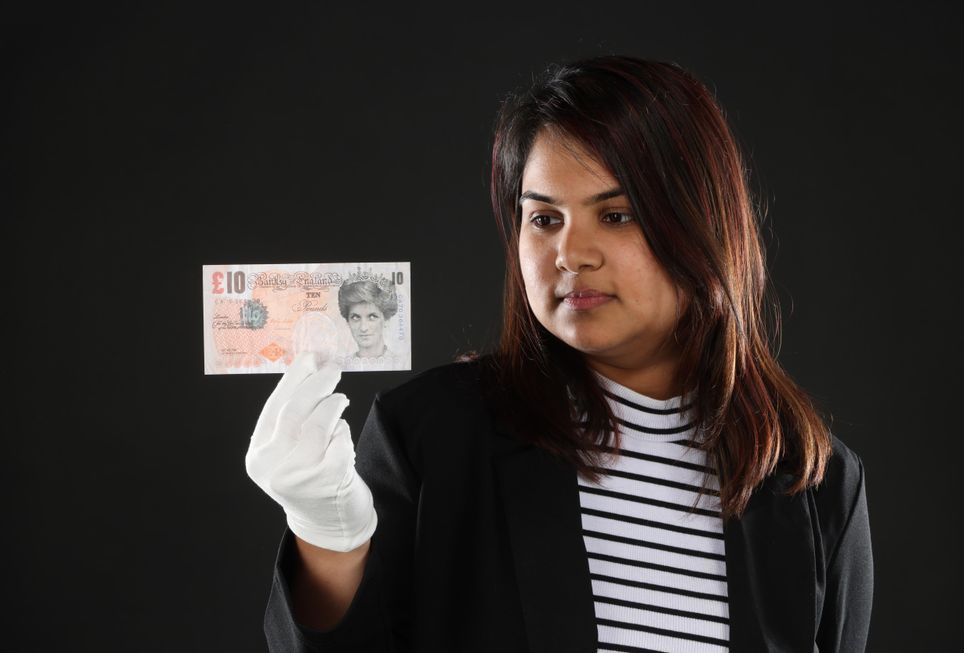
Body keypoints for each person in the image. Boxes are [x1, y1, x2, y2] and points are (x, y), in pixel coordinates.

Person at [245, 55, 873, 652]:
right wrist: (329, 539)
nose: (571, 255)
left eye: (617, 215)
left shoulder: (814, 484)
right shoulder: (430, 433)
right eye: (544, 219)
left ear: (704, 224)